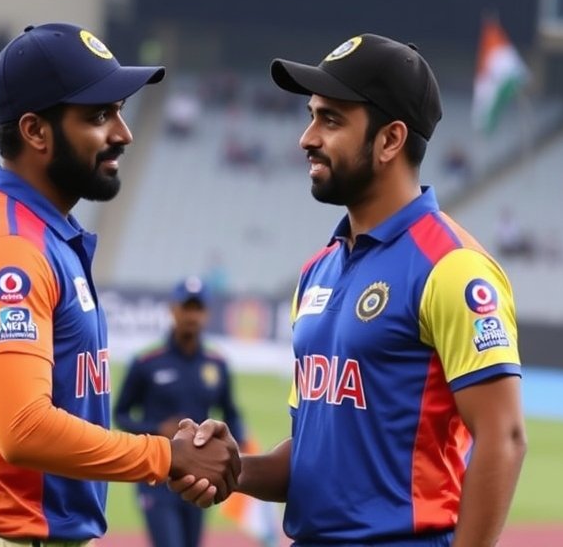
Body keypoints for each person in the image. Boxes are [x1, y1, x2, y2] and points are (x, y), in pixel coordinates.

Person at [175, 33, 528, 546]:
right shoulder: (318, 269)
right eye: (312, 115)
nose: (307, 137)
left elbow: (505, 437)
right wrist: (231, 468)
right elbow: (311, 455)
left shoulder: (453, 267)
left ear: (389, 140)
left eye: (331, 120)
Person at [0, 23, 240, 547]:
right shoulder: (10, 250)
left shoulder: (43, 236)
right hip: (0, 534)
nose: (122, 134)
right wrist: (166, 455)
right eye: (98, 116)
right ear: (36, 132)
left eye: (119, 112)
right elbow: (24, 429)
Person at [115, 276, 246, 547]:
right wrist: (156, 429)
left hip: (199, 476)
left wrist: (235, 444)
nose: (192, 315)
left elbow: (231, 412)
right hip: (157, 474)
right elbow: (121, 414)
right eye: (186, 307)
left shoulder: (216, 365)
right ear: (173, 310)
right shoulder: (146, 363)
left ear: (207, 314)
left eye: (198, 308)